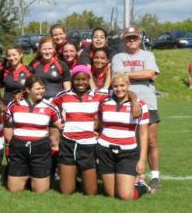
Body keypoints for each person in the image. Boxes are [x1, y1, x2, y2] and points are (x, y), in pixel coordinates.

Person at [111, 25, 162, 191]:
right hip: (126, 102)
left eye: (135, 37)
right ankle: (137, 176)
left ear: (140, 39)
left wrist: (126, 74)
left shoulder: (148, 55)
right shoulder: (118, 56)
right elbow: (117, 77)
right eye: (129, 37)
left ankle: (155, 177)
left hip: (148, 101)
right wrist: (141, 72)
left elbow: (150, 74)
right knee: (133, 141)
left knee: (151, 141)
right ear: (124, 39)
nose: (132, 40)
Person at [49, 65, 109, 195]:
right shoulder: (64, 95)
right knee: (66, 191)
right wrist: (59, 122)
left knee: (91, 193)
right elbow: (48, 106)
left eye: (84, 79)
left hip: (88, 144)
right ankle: (72, 180)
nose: (80, 82)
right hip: (68, 143)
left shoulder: (98, 95)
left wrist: (99, 125)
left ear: (89, 79)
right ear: (72, 80)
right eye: (77, 79)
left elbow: (121, 94)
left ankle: (82, 180)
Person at [97, 72, 152, 200]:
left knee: (126, 196)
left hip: (128, 152)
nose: (119, 89)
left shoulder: (140, 105)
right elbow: (99, 124)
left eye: (122, 85)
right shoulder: (104, 102)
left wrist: (142, 160)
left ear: (128, 85)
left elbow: (143, 134)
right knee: (111, 194)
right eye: (115, 86)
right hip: (105, 151)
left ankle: (142, 186)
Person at [5, 76, 61, 193]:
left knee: (40, 191)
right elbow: (7, 123)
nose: (41, 91)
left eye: (42, 88)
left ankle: (35, 175)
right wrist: (8, 142)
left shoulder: (50, 106)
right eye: (37, 89)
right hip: (19, 147)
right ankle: (25, 174)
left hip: (40, 148)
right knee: (14, 190)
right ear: (28, 90)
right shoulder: (14, 104)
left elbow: (60, 125)